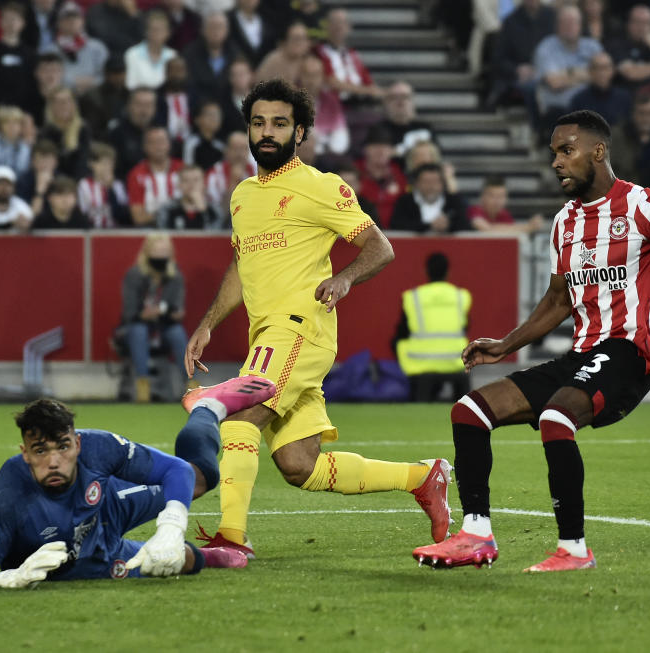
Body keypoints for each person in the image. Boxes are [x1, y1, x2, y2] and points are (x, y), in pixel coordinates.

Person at [412, 110, 650, 573]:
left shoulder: (641, 206)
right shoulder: (564, 223)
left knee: (557, 416)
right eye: (554, 152)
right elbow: (558, 301)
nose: (556, 162)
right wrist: (506, 343)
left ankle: (573, 550)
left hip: (628, 353)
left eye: (566, 151)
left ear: (598, 151)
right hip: (581, 354)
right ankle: (475, 534)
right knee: (470, 411)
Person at [175, 78, 453, 558]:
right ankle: (423, 477)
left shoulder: (321, 187)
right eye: (258, 123)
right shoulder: (242, 195)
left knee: (239, 414)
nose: (267, 132)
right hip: (269, 335)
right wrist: (207, 325)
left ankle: (232, 540)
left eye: (280, 124)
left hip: (301, 328)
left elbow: (379, 247)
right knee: (299, 465)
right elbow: (243, 266)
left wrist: (344, 279)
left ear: (299, 132)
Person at [0, 397, 248, 587]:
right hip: (96, 559)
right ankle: (205, 557)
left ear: (78, 444)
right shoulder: (9, 492)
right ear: (25, 455)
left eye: (63, 446)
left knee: (196, 478)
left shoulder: (99, 447)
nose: (54, 460)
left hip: (109, 504)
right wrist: (8, 579)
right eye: (40, 450)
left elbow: (177, 471)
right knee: (182, 562)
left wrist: (171, 528)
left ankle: (208, 409)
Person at [393, 252, 471, 402]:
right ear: (448, 272)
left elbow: (402, 332)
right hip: (456, 362)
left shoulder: (413, 297)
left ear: (426, 271)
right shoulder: (461, 296)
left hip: (420, 363)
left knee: (397, 341)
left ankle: (414, 393)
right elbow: (465, 328)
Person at [121, 233, 189, 402]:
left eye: (165, 251)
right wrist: (156, 312)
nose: (161, 256)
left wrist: (159, 312)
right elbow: (131, 313)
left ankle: (191, 384)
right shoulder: (134, 274)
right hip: (137, 327)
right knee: (138, 331)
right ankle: (143, 386)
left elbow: (177, 311)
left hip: (164, 327)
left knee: (177, 333)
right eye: (157, 251)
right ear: (147, 252)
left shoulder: (175, 276)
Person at [127, 126, 184, 226]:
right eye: (153, 142)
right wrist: (166, 216)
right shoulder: (136, 174)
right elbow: (138, 218)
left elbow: (196, 206)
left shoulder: (183, 170)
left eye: (162, 141)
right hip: (150, 228)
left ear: (169, 144)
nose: (158, 146)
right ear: (144, 147)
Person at [390, 163, 470, 234]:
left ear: (443, 184)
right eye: (426, 181)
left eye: (435, 181)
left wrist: (448, 226)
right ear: (416, 183)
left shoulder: (454, 201)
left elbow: (465, 226)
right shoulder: (405, 201)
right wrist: (429, 226)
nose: (431, 186)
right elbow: (397, 225)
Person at [569, 51, 633, 127]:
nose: (601, 72)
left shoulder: (624, 98)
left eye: (605, 68)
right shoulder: (578, 100)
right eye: (597, 68)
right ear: (590, 71)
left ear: (613, 70)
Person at [466, 175, 545, 234]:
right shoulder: (474, 210)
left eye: (501, 196)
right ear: (482, 197)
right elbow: (486, 229)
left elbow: (509, 233)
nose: (497, 201)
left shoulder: (505, 215)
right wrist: (528, 227)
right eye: (492, 196)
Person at [157, 164, 225, 230]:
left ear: (204, 184)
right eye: (186, 180)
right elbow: (164, 236)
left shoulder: (214, 210)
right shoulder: (167, 209)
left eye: (196, 180)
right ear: (179, 185)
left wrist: (204, 211)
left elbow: (215, 237)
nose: (191, 184)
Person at [124, 9, 177, 91]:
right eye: (154, 30)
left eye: (161, 30)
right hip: (141, 100)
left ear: (168, 33)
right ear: (146, 31)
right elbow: (131, 85)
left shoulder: (172, 55)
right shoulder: (132, 54)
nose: (157, 34)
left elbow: (173, 86)